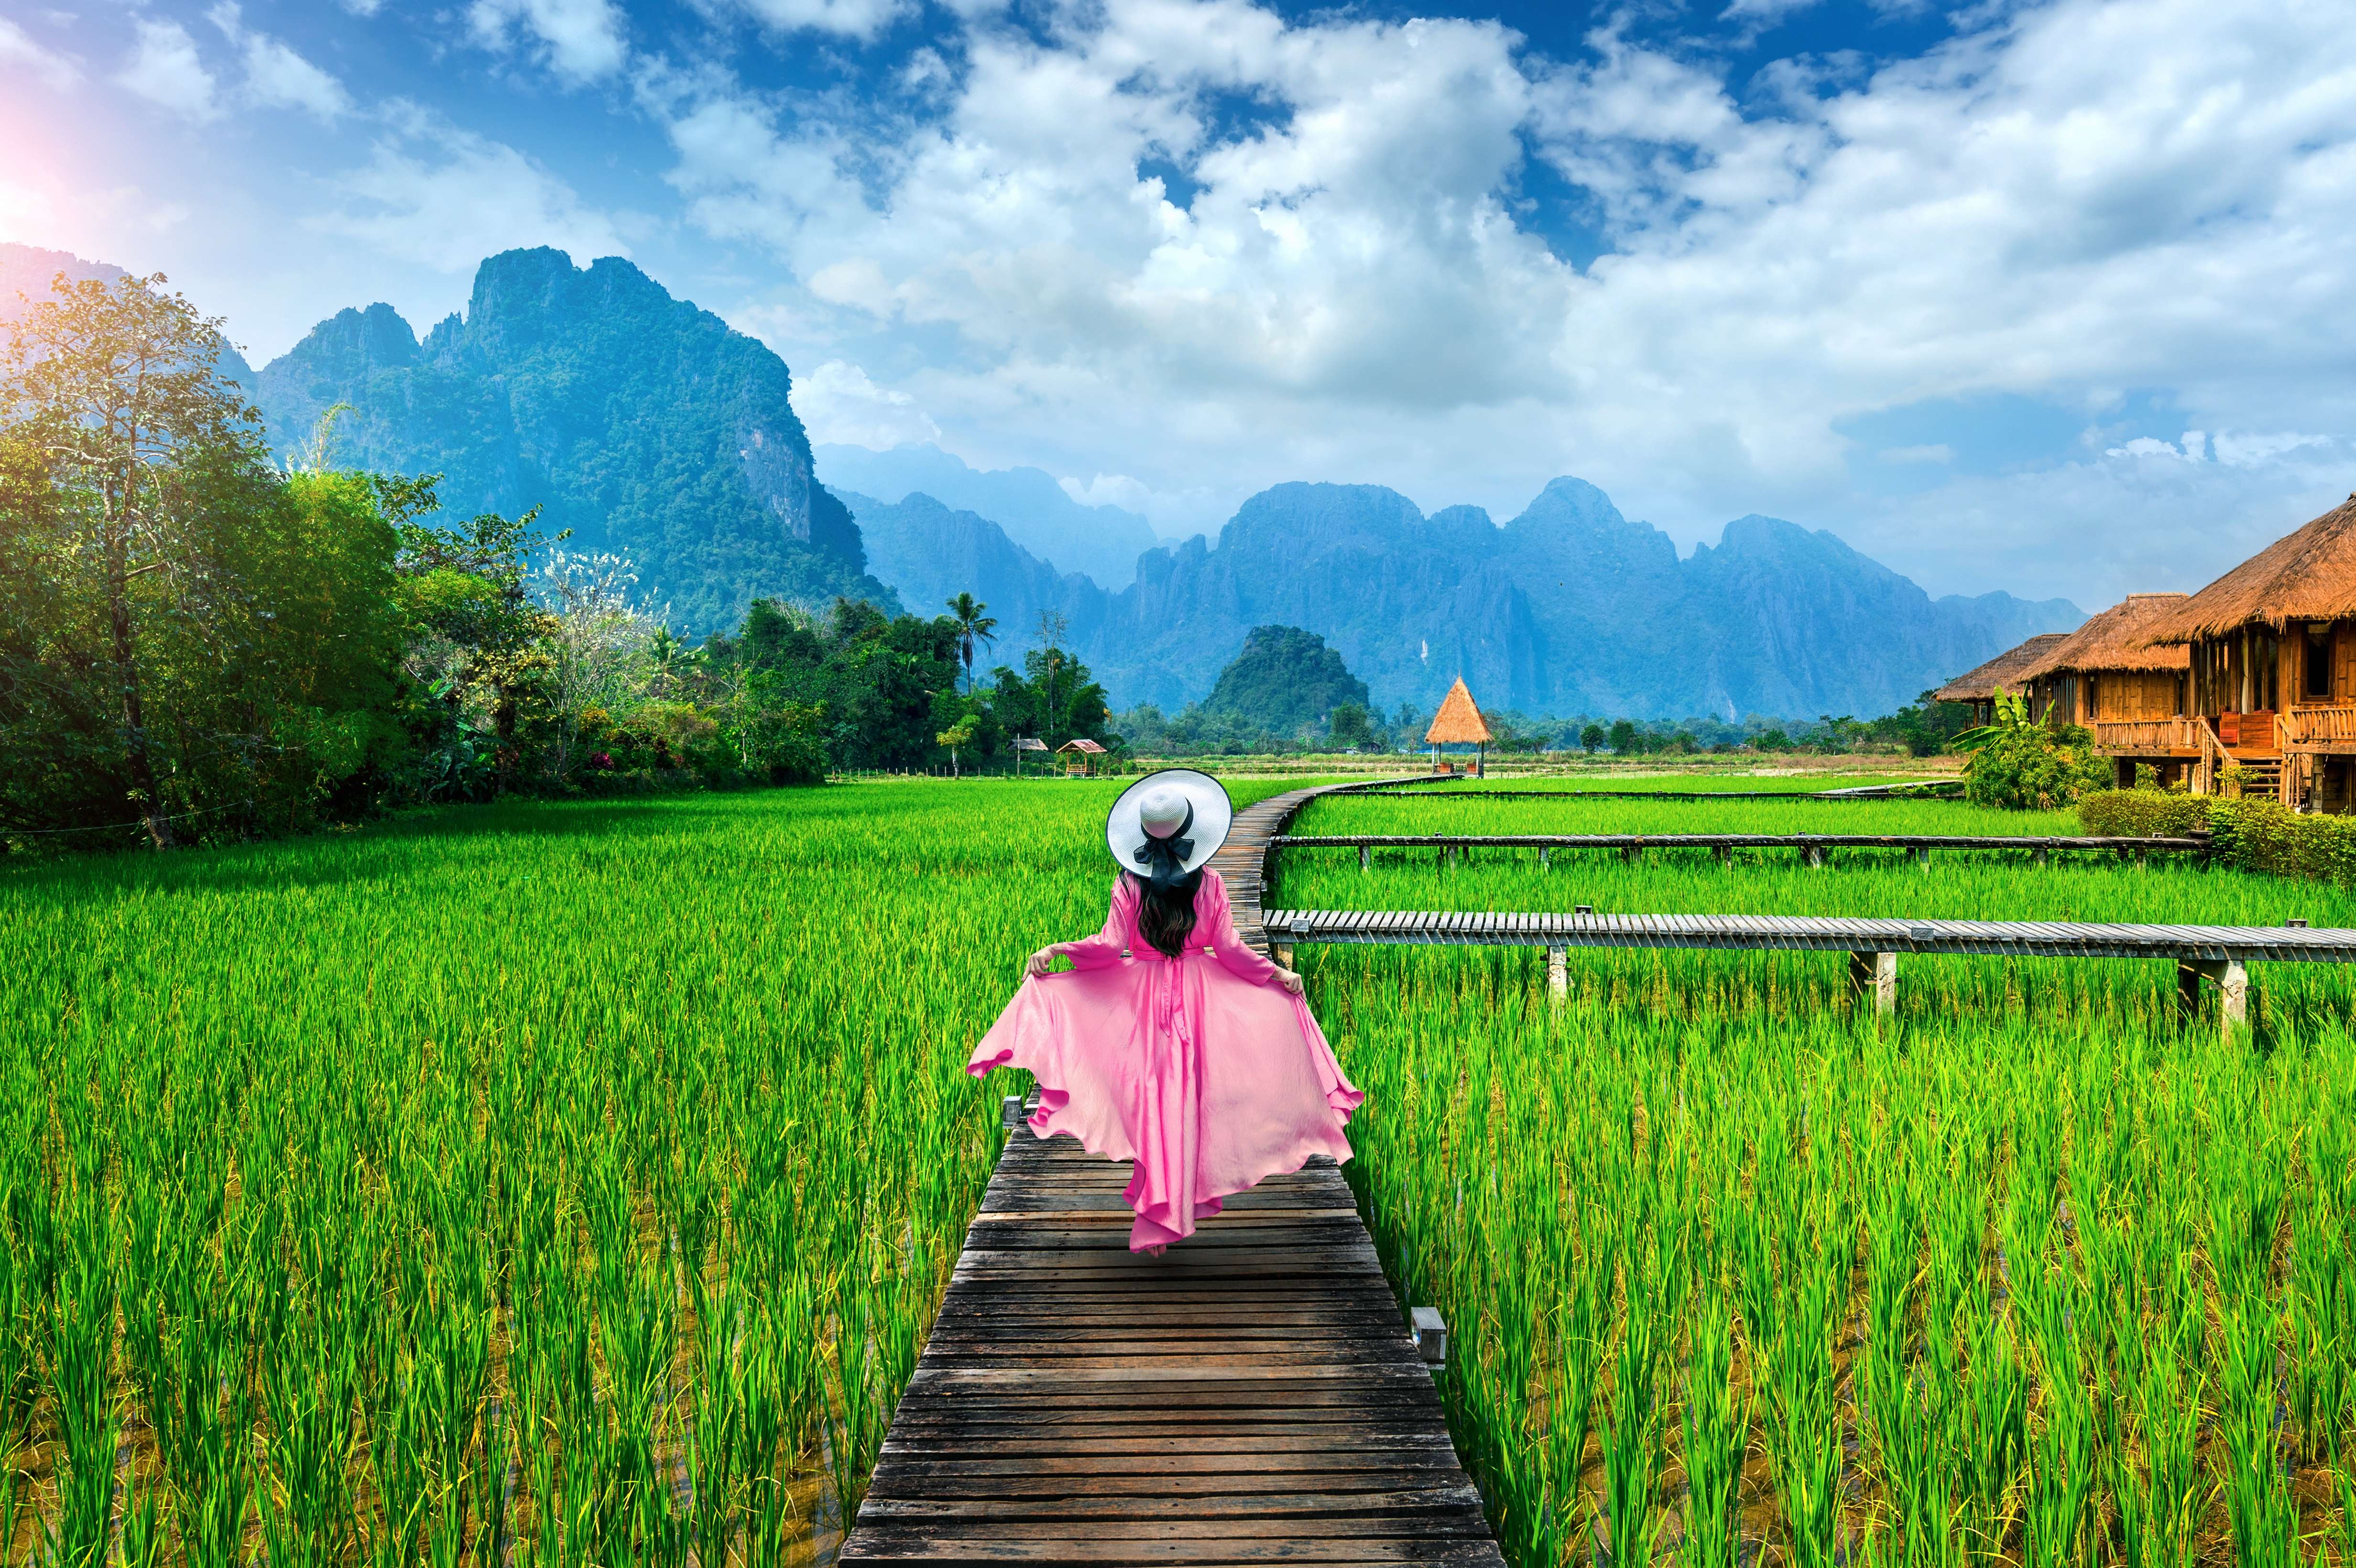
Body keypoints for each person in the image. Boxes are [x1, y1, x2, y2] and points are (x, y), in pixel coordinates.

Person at [967, 769, 1364, 1253]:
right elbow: (1231, 951)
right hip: (1200, 999)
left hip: (1142, 999)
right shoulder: (1211, 883)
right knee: (1192, 1096)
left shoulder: (1129, 885)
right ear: (1191, 833)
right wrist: (1275, 975)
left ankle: (1161, 1206)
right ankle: (1175, 1203)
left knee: (1153, 1098)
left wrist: (1057, 950)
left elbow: (1110, 947)